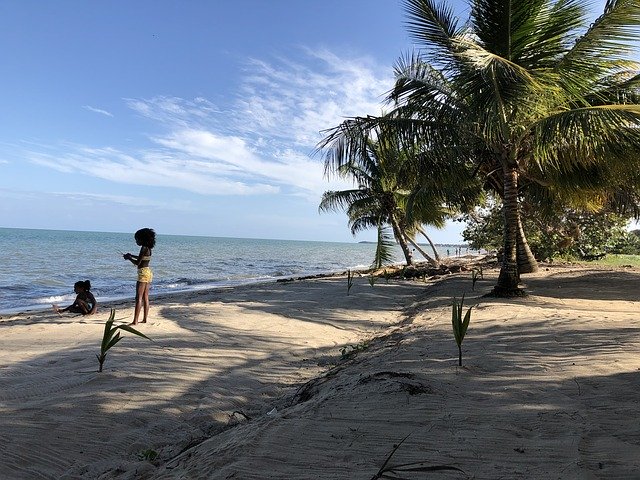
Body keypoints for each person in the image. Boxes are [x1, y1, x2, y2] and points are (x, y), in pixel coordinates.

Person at [123, 228, 156, 325]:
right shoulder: (148, 248)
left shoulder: (143, 248)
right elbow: (142, 258)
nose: (136, 241)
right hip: (148, 272)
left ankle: (135, 321)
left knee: (138, 298)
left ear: (142, 239)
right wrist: (131, 255)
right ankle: (145, 319)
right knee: (145, 297)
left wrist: (129, 258)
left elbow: (138, 263)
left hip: (142, 273)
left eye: (137, 239)